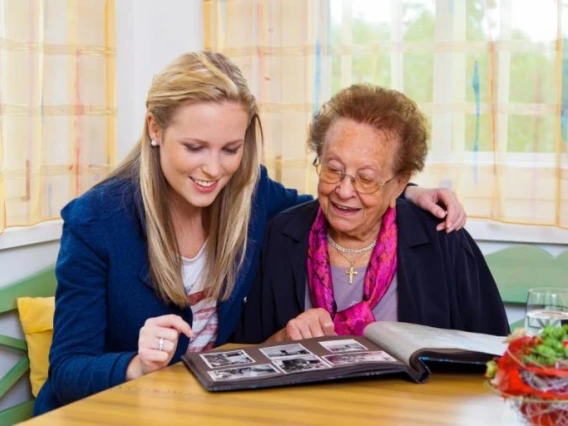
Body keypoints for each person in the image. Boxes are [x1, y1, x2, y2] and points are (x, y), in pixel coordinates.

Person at [34, 52, 466, 414]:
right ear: (154, 129)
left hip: (203, 408)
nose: (214, 169)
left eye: (231, 149)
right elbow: (67, 370)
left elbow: (331, 202)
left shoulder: (249, 193)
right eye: (194, 147)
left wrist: (404, 190)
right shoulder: (96, 220)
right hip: (113, 412)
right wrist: (136, 365)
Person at [236, 84, 509, 344]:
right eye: (333, 169)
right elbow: (245, 353)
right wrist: (283, 340)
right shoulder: (282, 237)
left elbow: (494, 355)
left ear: (400, 183)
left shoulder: (443, 240)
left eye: (366, 178)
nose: (344, 191)